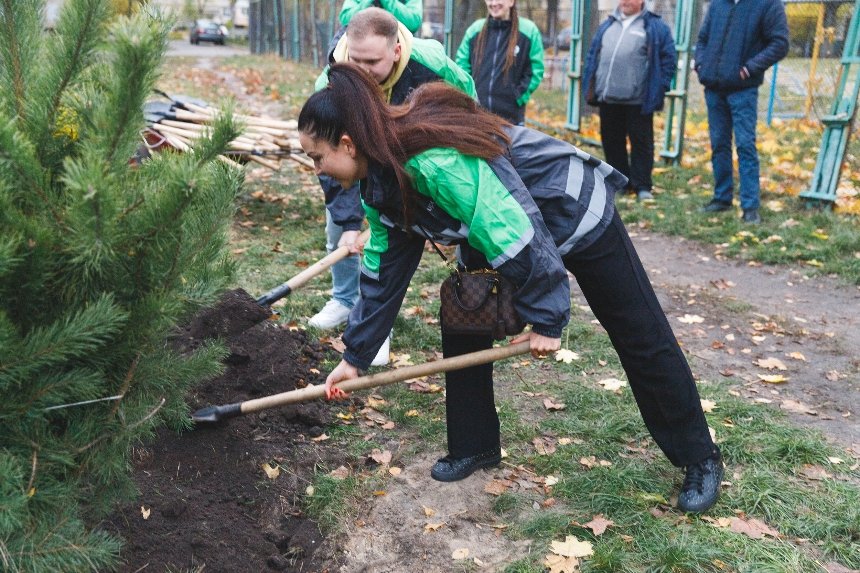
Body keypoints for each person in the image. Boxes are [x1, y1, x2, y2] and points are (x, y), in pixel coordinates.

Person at [300, 62, 724, 514]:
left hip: (569, 208)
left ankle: (698, 456)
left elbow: (515, 232)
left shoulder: (432, 161)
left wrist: (546, 316)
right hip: (504, 225)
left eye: (317, 157)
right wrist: (356, 356)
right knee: (465, 314)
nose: (318, 170)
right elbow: (383, 271)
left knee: (638, 331)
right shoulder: (381, 177)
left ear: (348, 143)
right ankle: (475, 444)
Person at [307, 8, 477, 367]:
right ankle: (371, 330)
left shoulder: (430, 64)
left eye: (372, 62)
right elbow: (329, 159)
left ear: (396, 52)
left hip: (430, 167)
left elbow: (468, 109)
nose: (362, 71)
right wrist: (350, 222)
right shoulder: (333, 82)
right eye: (356, 59)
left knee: (472, 237)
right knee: (380, 257)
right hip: (371, 171)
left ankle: (477, 299)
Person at [695, 0, 788, 224]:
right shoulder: (718, 4)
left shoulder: (768, 4)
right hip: (714, 87)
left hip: (743, 90)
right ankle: (722, 198)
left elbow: (780, 43)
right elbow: (702, 38)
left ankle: (750, 206)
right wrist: (700, 63)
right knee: (719, 144)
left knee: (745, 145)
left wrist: (749, 69)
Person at [582, 0, 676, 202]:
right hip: (608, 97)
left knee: (641, 143)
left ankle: (642, 185)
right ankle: (620, 183)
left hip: (638, 100)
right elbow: (593, 55)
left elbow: (668, 59)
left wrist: (660, 87)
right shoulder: (607, 25)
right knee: (612, 141)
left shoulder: (654, 27)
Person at [455, 0, 544, 125]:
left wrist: (518, 96)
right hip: (477, 116)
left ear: (512, 2)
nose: (493, 3)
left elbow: (535, 70)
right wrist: (470, 94)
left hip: (511, 118)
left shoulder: (529, 31)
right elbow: (461, 65)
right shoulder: (475, 30)